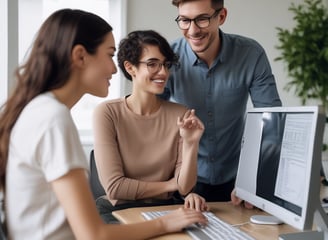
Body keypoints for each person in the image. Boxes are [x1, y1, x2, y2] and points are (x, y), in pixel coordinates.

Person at [0, 9, 208, 240]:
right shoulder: (52, 118)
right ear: (80, 56)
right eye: (109, 55)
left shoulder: (42, 110)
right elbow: (94, 235)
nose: (113, 68)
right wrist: (166, 222)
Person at [162, 0, 282, 202]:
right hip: (182, 181)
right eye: (184, 20)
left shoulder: (250, 54)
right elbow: (150, 121)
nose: (193, 30)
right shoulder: (168, 58)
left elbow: (272, 123)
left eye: (202, 19)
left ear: (222, 16)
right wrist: (175, 184)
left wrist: (253, 182)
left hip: (236, 180)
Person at [92, 30, 209, 224]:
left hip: (165, 209)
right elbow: (115, 188)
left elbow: (185, 187)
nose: (163, 72)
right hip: (116, 211)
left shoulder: (181, 114)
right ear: (130, 68)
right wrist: (170, 185)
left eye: (165, 64)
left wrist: (191, 143)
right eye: (152, 64)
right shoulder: (107, 113)